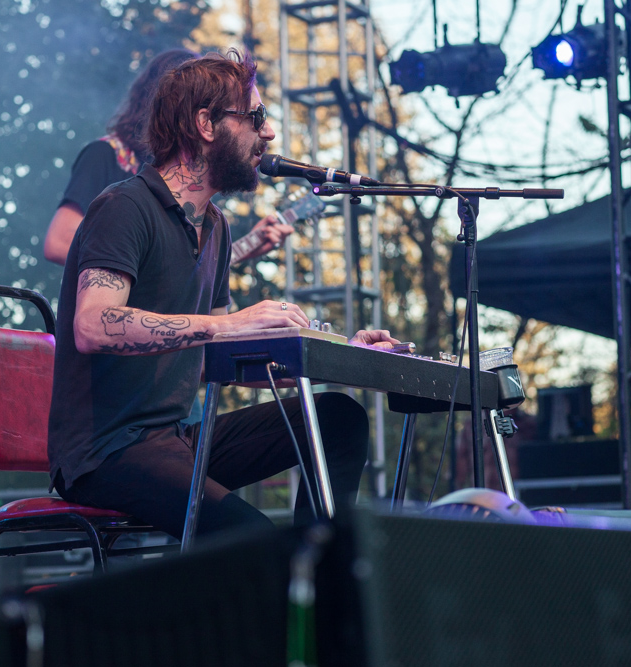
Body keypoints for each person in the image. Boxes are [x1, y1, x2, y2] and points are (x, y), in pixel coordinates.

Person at [47, 49, 399, 540]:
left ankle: (322, 565)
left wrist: (340, 356)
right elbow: (92, 325)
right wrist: (228, 324)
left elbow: (221, 361)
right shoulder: (124, 206)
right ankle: (292, 573)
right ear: (205, 124)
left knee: (339, 418)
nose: (268, 132)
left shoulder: (215, 226)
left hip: (176, 439)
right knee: (253, 537)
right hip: (105, 452)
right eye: (255, 117)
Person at [43, 48, 293, 267]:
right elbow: (58, 242)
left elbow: (178, 273)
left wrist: (240, 250)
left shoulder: (200, 191)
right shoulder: (106, 154)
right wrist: (127, 266)